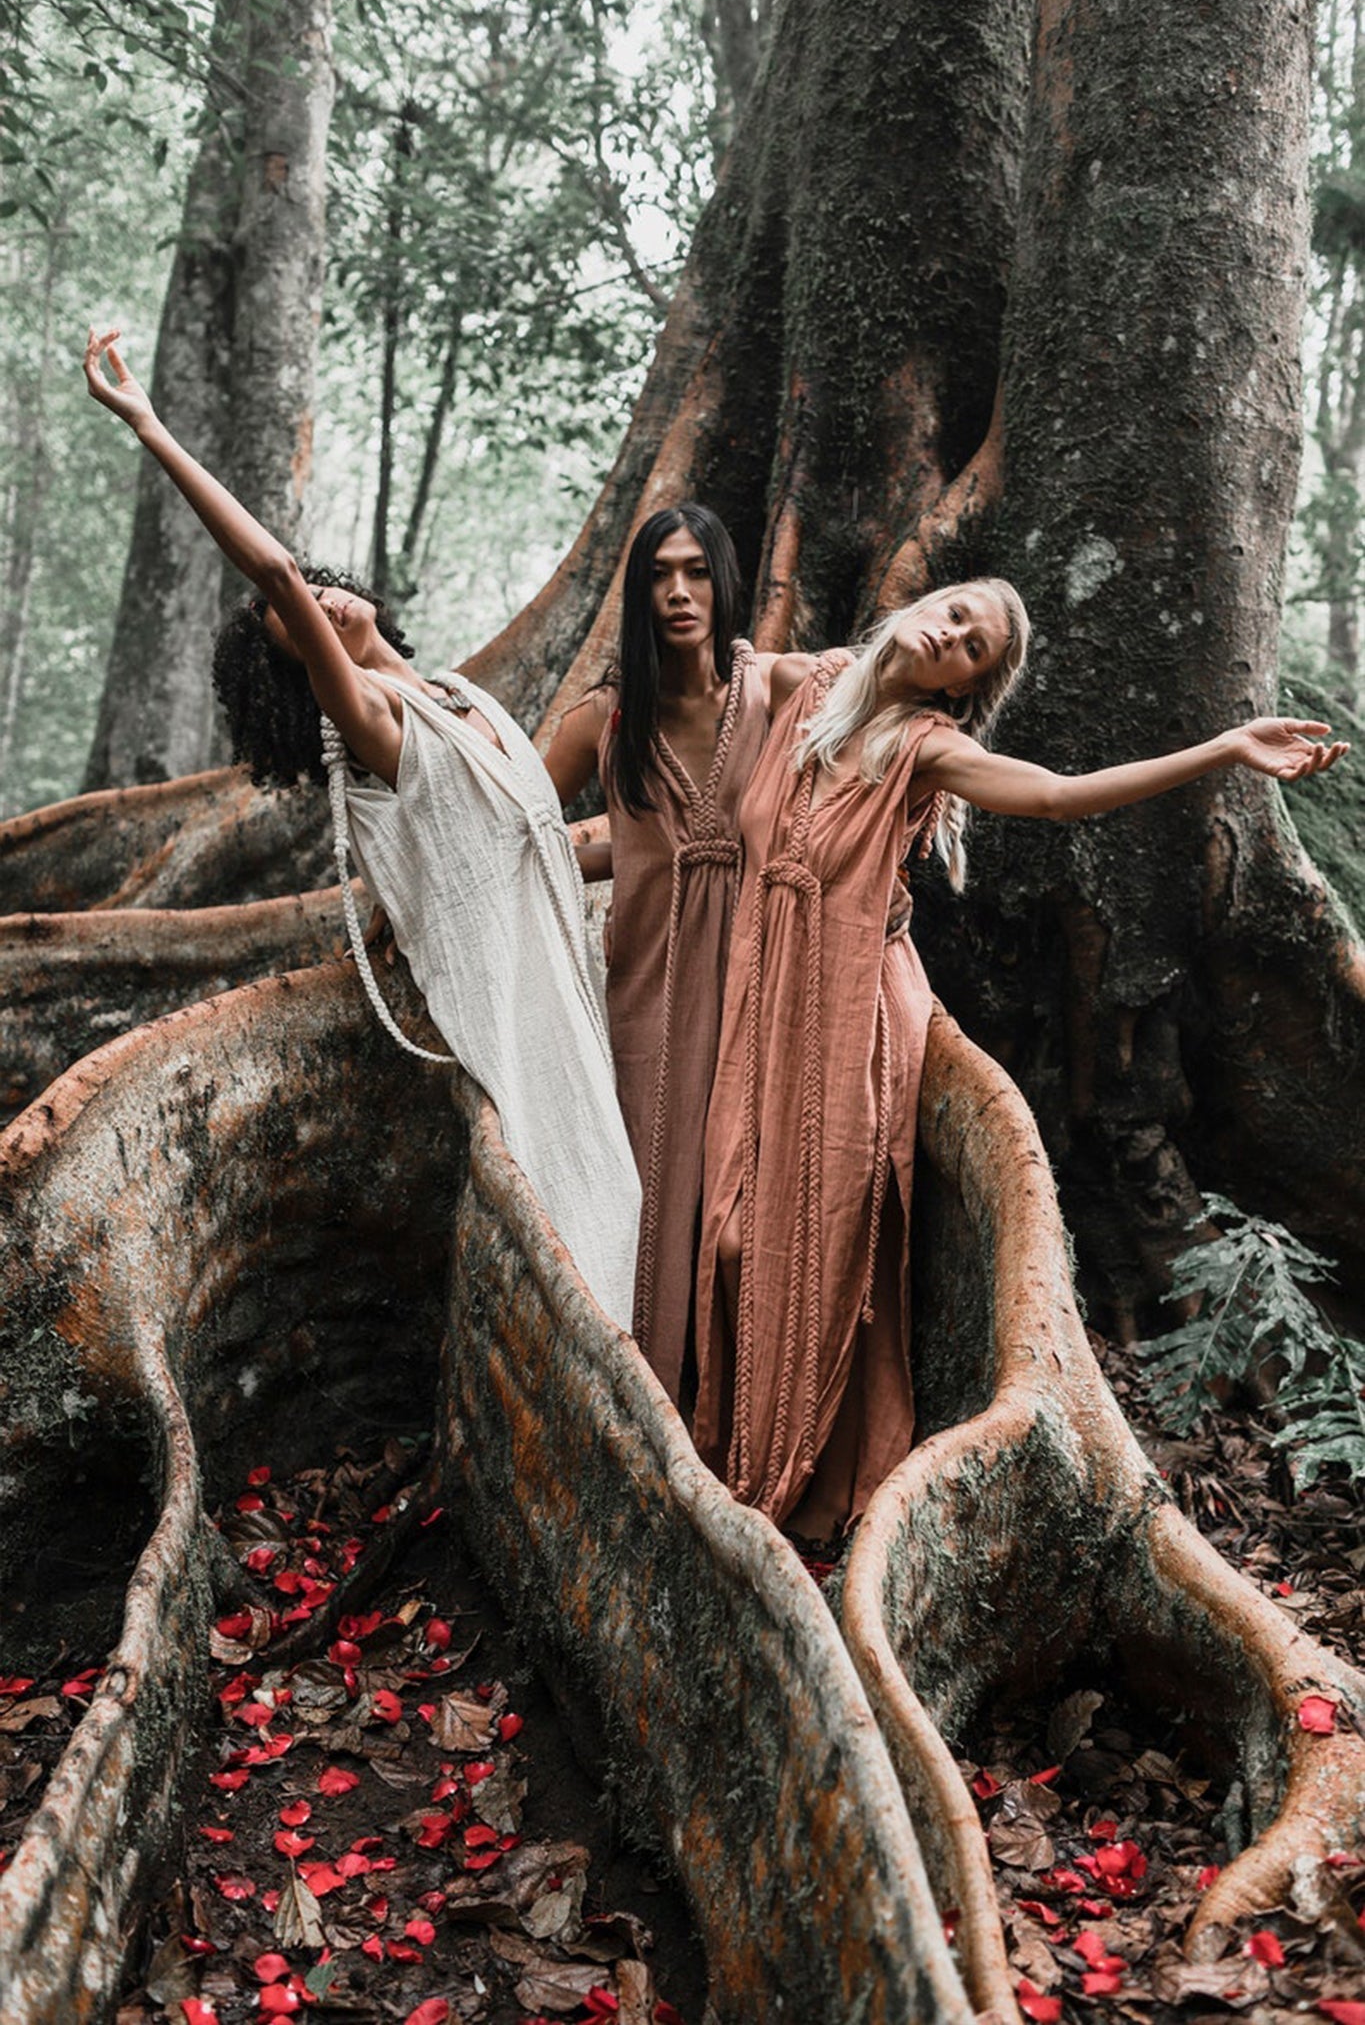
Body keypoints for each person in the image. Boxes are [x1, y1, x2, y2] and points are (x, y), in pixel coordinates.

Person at [692, 579, 1349, 1541]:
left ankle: (789, 1493)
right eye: (955, 612)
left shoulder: (926, 747)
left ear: (961, 689)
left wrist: (1223, 749)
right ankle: (723, 1454)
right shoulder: (809, 685)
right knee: (723, 1233)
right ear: (920, 604)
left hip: (850, 1017)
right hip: (759, 1005)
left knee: (805, 1245)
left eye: (972, 647)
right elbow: (696, 689)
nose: (951, 632)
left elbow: (1054, 796)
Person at [83, 326, 640, 1330]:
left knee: (630, 1188)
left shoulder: (457, 695)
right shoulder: (378, 723)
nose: (310, 598)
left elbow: (534, 841)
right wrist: (149, 426)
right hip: (512, 1010)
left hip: (574, 979)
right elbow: (273, 569)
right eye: (290, 618)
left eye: (311, 586)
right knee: (585, 1206)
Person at [544, 506, 797, 1404]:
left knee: (749, 1195)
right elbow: (517, 825)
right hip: (647, 991)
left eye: (694, 571)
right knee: (646, 1187)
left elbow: (878, 712)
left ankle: (744, 1405)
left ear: (723, 581)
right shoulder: (605, 719)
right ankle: (640, 1398)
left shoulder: (773, 690)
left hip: (761, 981)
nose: (678, 592)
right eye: (658, 575)